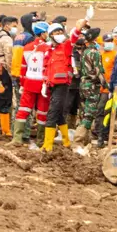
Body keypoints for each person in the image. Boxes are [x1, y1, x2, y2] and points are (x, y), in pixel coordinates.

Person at [42, 21, 83, 152]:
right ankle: (66, 142)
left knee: (52, 113)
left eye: (61, 31)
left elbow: (73, 37)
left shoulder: (66, 47)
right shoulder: (49, 51)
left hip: (62, 85)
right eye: (56, 32)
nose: (59, 34)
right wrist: (44, 84)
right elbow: (46, 69)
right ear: (51, 35)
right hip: (52, 85)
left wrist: (79, 27)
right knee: (58, 114)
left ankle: (47, 145)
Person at [14, 21, 51, 145]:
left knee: (23, 110)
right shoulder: (48, 48)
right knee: (42, 112)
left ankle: (17, 138)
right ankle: (40, 140)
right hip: (42, 85)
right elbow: (48, 67)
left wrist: (22, 84)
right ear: (43, 33)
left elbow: (23, 68)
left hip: (29, 83)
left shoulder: (27, 47)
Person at [0, 17, 15, 135]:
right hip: (4, 70)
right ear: (6, 26)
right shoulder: (6, 39)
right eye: (14, 26)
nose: (15, 29)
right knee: (5, 99)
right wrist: (12, 73)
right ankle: (6, 130)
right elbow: (9, 56)